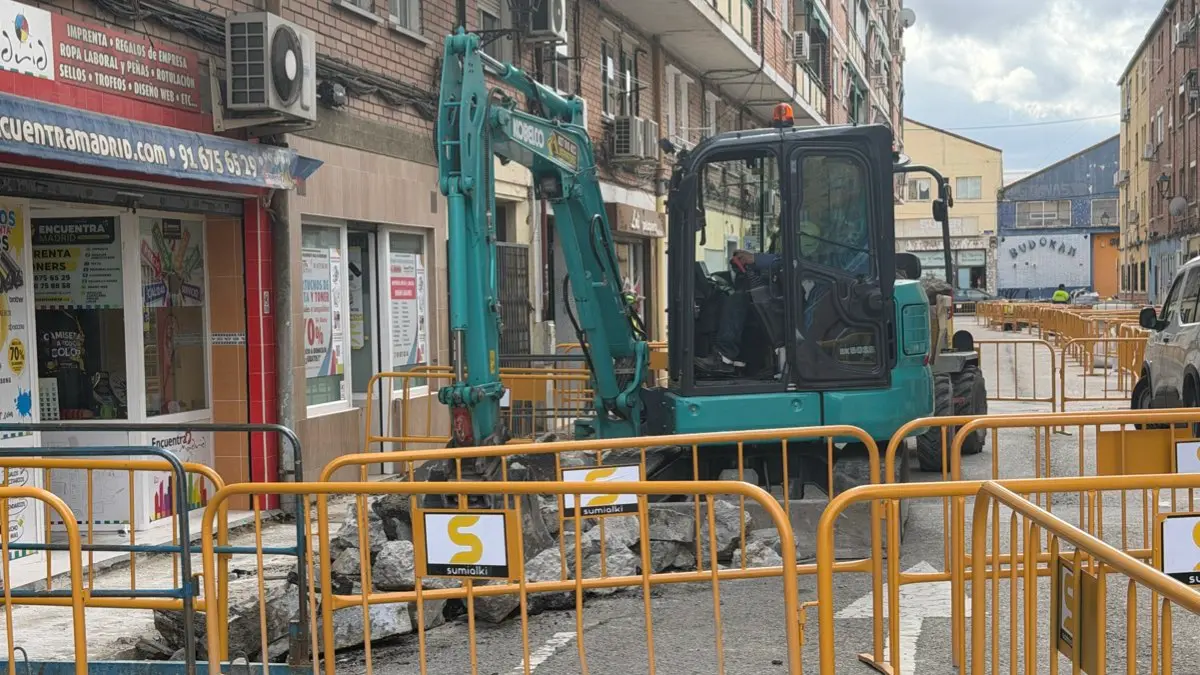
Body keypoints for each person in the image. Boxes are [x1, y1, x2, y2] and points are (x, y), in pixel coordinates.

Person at [695, 249, 779, 375]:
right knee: (730, 298)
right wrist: (750, 258)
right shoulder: (780, 238)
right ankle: (738, 359)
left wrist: (756, 259)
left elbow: (790, 260)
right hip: (777, 290)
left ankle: (725, 356)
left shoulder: (804, 238)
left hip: (785, 295)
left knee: (737, 301)